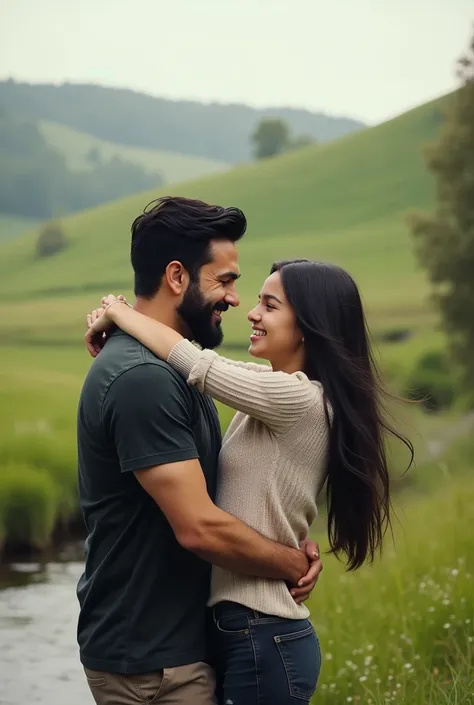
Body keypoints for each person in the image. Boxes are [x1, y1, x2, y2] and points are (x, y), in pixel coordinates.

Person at [86, 257, 414, 704]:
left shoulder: (296, 397)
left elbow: (193, 361)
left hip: (263, 633)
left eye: (270, 305)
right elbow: (193, 363)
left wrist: (120, 312)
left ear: (307, 327)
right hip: (250, 631)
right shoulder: (274, 385)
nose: (252, 313)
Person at [77, 196, 322, 705]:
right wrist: (290, 563)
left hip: (183, 645)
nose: (236, 300)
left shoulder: (179, 369)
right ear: (177, 277)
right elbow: (200, 526)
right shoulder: (144, 377)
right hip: (153, 663)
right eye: (226, 280)